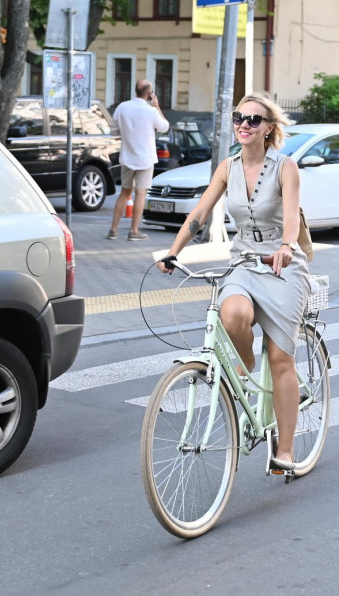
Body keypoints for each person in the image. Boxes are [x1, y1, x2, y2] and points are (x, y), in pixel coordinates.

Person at [156, 93, 310, 472]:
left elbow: (292, 218)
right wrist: (174, 251)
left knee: (279, 357)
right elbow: (201, 210)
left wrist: (288, 246)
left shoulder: (285, 167)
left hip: (282, 265)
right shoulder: (228, 166)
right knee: (233, 313)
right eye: (240, 117)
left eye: (254, 120)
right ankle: (247, 372)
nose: (244, 124)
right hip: (243, 261)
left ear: (269, 129)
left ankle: (285, 450)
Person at [108, 80, 169, 240]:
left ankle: (113, 229)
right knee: (140, 193)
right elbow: (165, 127)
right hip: (145, 159)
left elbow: (114, 131)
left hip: (127, 156)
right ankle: (134, 231)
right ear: (150, 94)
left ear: (135, 91)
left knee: (124, 192)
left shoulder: (122, 107)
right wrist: (157, 106)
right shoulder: (151, 111)